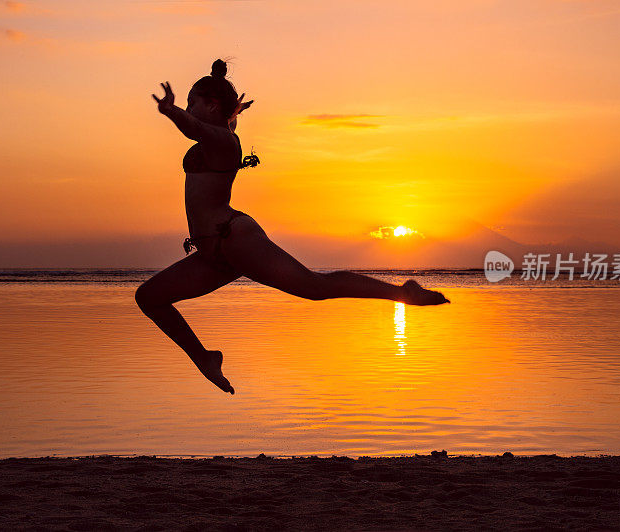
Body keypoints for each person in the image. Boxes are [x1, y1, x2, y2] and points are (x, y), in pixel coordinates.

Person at [136, 59, 450, 395]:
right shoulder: (220, 132)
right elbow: (208, 125)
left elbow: (196, 129)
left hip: (234, 239)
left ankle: (404, 293)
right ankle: (205, 358)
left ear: (212, 105)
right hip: (212, 252)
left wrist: (171, 112)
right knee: (150, 297)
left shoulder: (225, 142)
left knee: (314, 287)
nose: (187, 108)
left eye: (192, 102)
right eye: (185, 104)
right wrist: (231, 109)